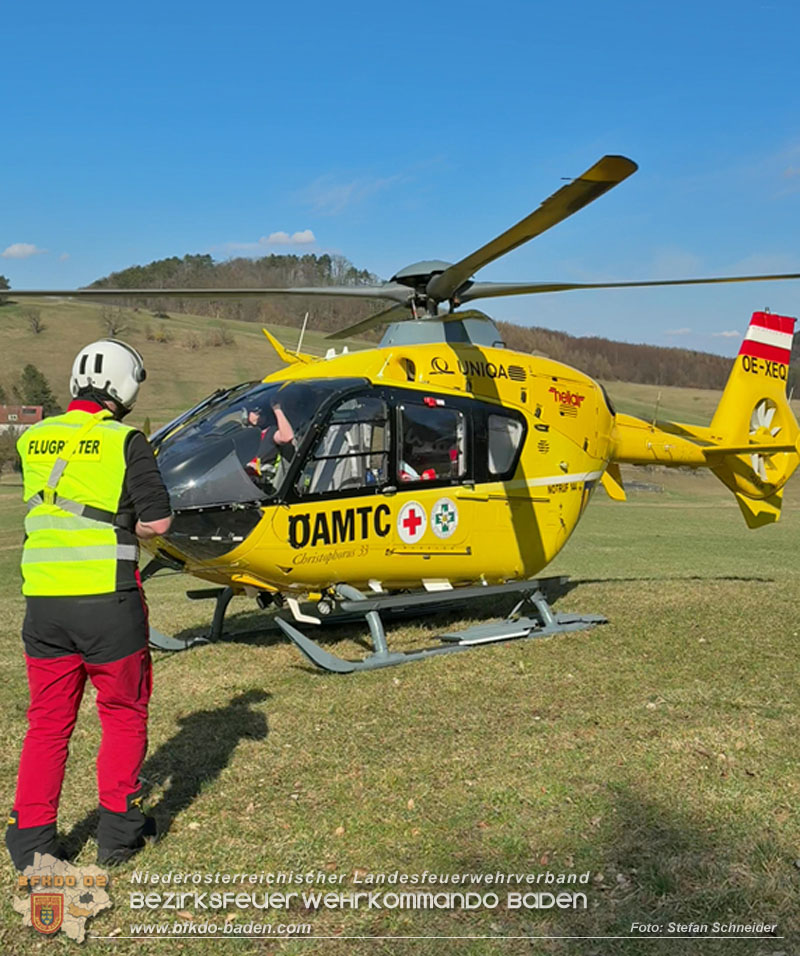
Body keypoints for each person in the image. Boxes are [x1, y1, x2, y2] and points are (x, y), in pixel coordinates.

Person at [6, 339, 172, 870]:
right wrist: (131, 527)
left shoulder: (34, 438)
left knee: (48, 724)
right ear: (124, 388)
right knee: (123, 714)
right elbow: (158, 522)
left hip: (45, 607)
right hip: (108, 605)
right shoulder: (126, 441)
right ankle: (119, 833)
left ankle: (32, 843)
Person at [244, 400, 296, 487]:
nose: (258, 415)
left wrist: (277, 409)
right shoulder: (246, 436)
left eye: (258, 411)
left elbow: (287, 437)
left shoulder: (270, 432)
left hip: (263, 486)